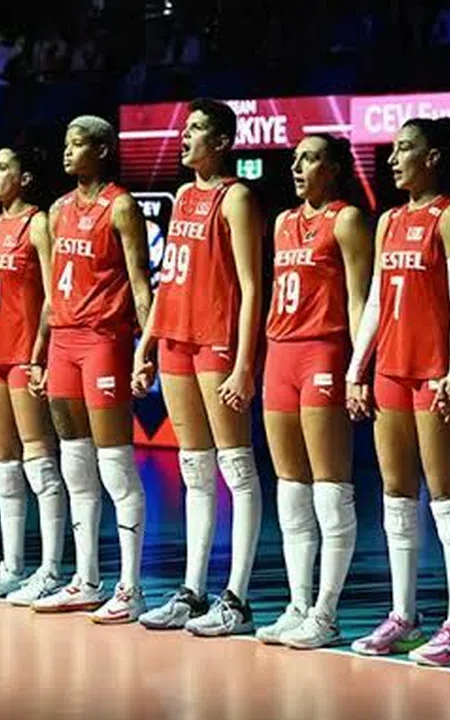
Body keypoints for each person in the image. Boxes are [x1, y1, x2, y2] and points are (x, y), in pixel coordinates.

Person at [345, 118, 450, 665]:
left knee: (445, 494)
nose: (393, 158)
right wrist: (356, 369)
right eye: (394, 149)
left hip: (433, 372)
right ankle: (403, 615)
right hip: (390, 371)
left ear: (433, 158)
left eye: (405, 149)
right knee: (396, 494)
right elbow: (377, 300)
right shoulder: (389, 220)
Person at [132, 99, 264, 636]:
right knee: (194, 469)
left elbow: (252, 287)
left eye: (196, 130)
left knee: (236, 467)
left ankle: (237, 599)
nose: (184, 137)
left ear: (222, 141)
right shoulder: (184, 196)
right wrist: (147, 342)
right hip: (176, 341)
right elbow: (168, 279)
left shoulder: (236, 198)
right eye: (183, 129)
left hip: (216, 342)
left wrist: (244, 363)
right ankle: (192, 591)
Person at [30, 115, 153, 624]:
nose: (67, 151)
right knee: (75, 465)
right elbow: (52, 291)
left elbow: (141, 283)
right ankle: (86, 579)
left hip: (104, 342)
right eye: (65, 142)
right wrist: (39, 351)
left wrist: (146, 349)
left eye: (77, 143)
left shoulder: (121, 206)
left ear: (102, 150)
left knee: (114, 465)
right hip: (62, 342)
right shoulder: (58, 210)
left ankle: (131, 587)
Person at [255, 134, 373, 649]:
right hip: (280, 354)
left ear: (335, 168)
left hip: (323, 353)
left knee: (330, 487)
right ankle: (298, 603)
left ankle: (326, 612)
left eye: (310, 158)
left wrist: (357, 367)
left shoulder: (347, 220)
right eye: (296, 158)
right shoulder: (283, 221)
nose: (297, 166)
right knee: (290, 487)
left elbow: (358, 299)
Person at [0, 146, 66, 603]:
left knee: (38, 460)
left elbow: (52, 296)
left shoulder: (38, 223)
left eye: (3, 166)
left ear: (25, 178)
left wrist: (39, 354)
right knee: (3, 463)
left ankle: (51, 569)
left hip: (25, 356)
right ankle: (11, 565)